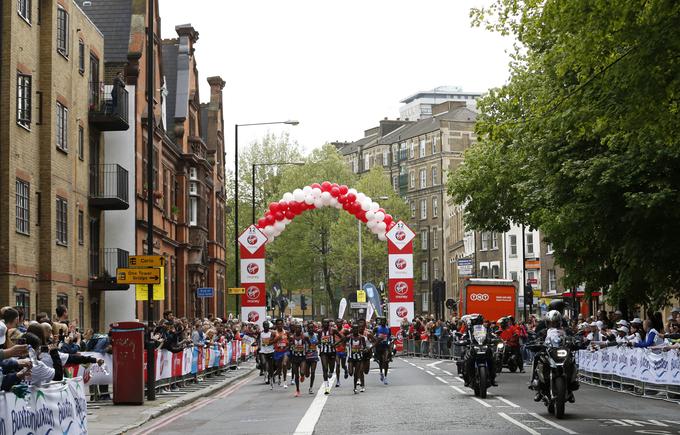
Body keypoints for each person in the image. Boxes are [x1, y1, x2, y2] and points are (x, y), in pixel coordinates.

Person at [345, 323, 368, 394]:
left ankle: (356, 388)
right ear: (352, 329)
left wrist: (363, 350)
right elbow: (342, 341)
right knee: (351, 373)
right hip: (351, 358)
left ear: (358, 329)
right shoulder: (349, 337)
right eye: (354, 329)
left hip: (359, 358)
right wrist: (336, 345)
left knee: (357, 373)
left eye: (356, 329)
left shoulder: (362, 337)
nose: (355, 330)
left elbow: (364, 347)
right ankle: (347, 369)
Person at [318, 319, 338, 395]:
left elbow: (342, 338)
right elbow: (319, 341)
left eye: (327, 323)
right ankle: (326, 386)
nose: (326, 324)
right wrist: (319, 344)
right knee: (325, 368)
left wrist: (335, 344)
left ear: (329, 323)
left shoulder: (333, 330)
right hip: (323, 352)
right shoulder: (320, 331)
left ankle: (331, 371)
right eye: (324, 322)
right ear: (322, 323)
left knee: (331, 368)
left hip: (332, 351)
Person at [271, 318, 290, 388]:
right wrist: (276, 339)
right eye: (278, 324)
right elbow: (270, 342)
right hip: (277, 352)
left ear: (283, 324)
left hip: (285, 351)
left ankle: (285, 381)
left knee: (284, 364)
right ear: (276, 325)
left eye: (281, 324)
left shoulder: (286, 332)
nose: (279, 325)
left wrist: (288, 345)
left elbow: (290, 341)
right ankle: (278, 376)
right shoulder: (273, 333)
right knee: (279, 368)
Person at [289, 323, 307, 397]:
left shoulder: (304, 337)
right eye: (296, 328)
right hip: (294, 357)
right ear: (294, 329)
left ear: (301, 329)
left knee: (302, 372)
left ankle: (302, 376)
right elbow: (289, 346)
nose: (298, 329)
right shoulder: (292, 337)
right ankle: (297, 390)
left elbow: (309, 344)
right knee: (296, 375)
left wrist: (307, 349)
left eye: (299, 328)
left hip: (302, 357)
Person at [374, 316, 392, 384]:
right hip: (379, 346)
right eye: (382, 321)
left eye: (384, 321)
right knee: (381, 361)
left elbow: (389, 336)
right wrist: (377, 338)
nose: (383, 322)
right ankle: (381, 372)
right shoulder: (377, 328)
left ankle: (386, 377)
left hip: (386, 346)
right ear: (380, 321)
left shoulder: (388, 328)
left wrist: (391, 339)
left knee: (386, 361)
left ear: (386, 321)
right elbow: (373, 336)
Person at [258, 321, 275, 388]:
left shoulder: (272, 333)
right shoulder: (261, 333)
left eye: (267, 325)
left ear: (269, 326)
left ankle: (270, 377)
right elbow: (258, 340)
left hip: (271, 351)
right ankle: (265, 373)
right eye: (264, 325)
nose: (266, 326)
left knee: (271, 366)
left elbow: (275, 340)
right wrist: (259, 346)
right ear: (263, 326)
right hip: (263, 351)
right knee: (263, 362)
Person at [304, 321, 319, 394]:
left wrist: (318, 344)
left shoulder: (316, 335)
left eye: (312, 328)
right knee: (307, 374)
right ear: (307, 328)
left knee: (313, 372)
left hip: (314, 356)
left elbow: (318, 343)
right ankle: (304, 374)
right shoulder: (304, 335)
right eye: (309, 328)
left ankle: (311, 387)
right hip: (306, 356)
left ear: (314, 328)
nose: (310, 329)